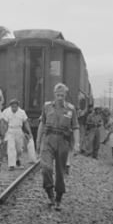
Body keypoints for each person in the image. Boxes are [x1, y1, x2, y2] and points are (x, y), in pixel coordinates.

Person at [37, 83, 80, 211]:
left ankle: (58, 199)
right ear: (54, 94)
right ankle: (50, 193)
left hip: (63, 141)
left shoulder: (71, 109)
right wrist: (38, 140)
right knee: (46, 168)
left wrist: (77, 143)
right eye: (58, 94)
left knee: (60, 172)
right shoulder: (47, 107)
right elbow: (42, 123)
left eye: (62, 95)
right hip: (49, 140)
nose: (60, 97)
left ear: (65, 95)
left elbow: (76, 127)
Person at [2, 99, 33, 170]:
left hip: (19, 130)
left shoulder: (22, 112)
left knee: (19, 149)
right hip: (10, 130)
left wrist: (29, 132)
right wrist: (4, 133)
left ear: (18, 106)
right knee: (11, 148)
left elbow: (26, 122)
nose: (14, 108)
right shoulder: (6, 112)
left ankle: (17, 159)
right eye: (12, 107)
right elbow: (5, 124)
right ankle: (11, 165)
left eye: (15, 107)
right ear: (10, 106)